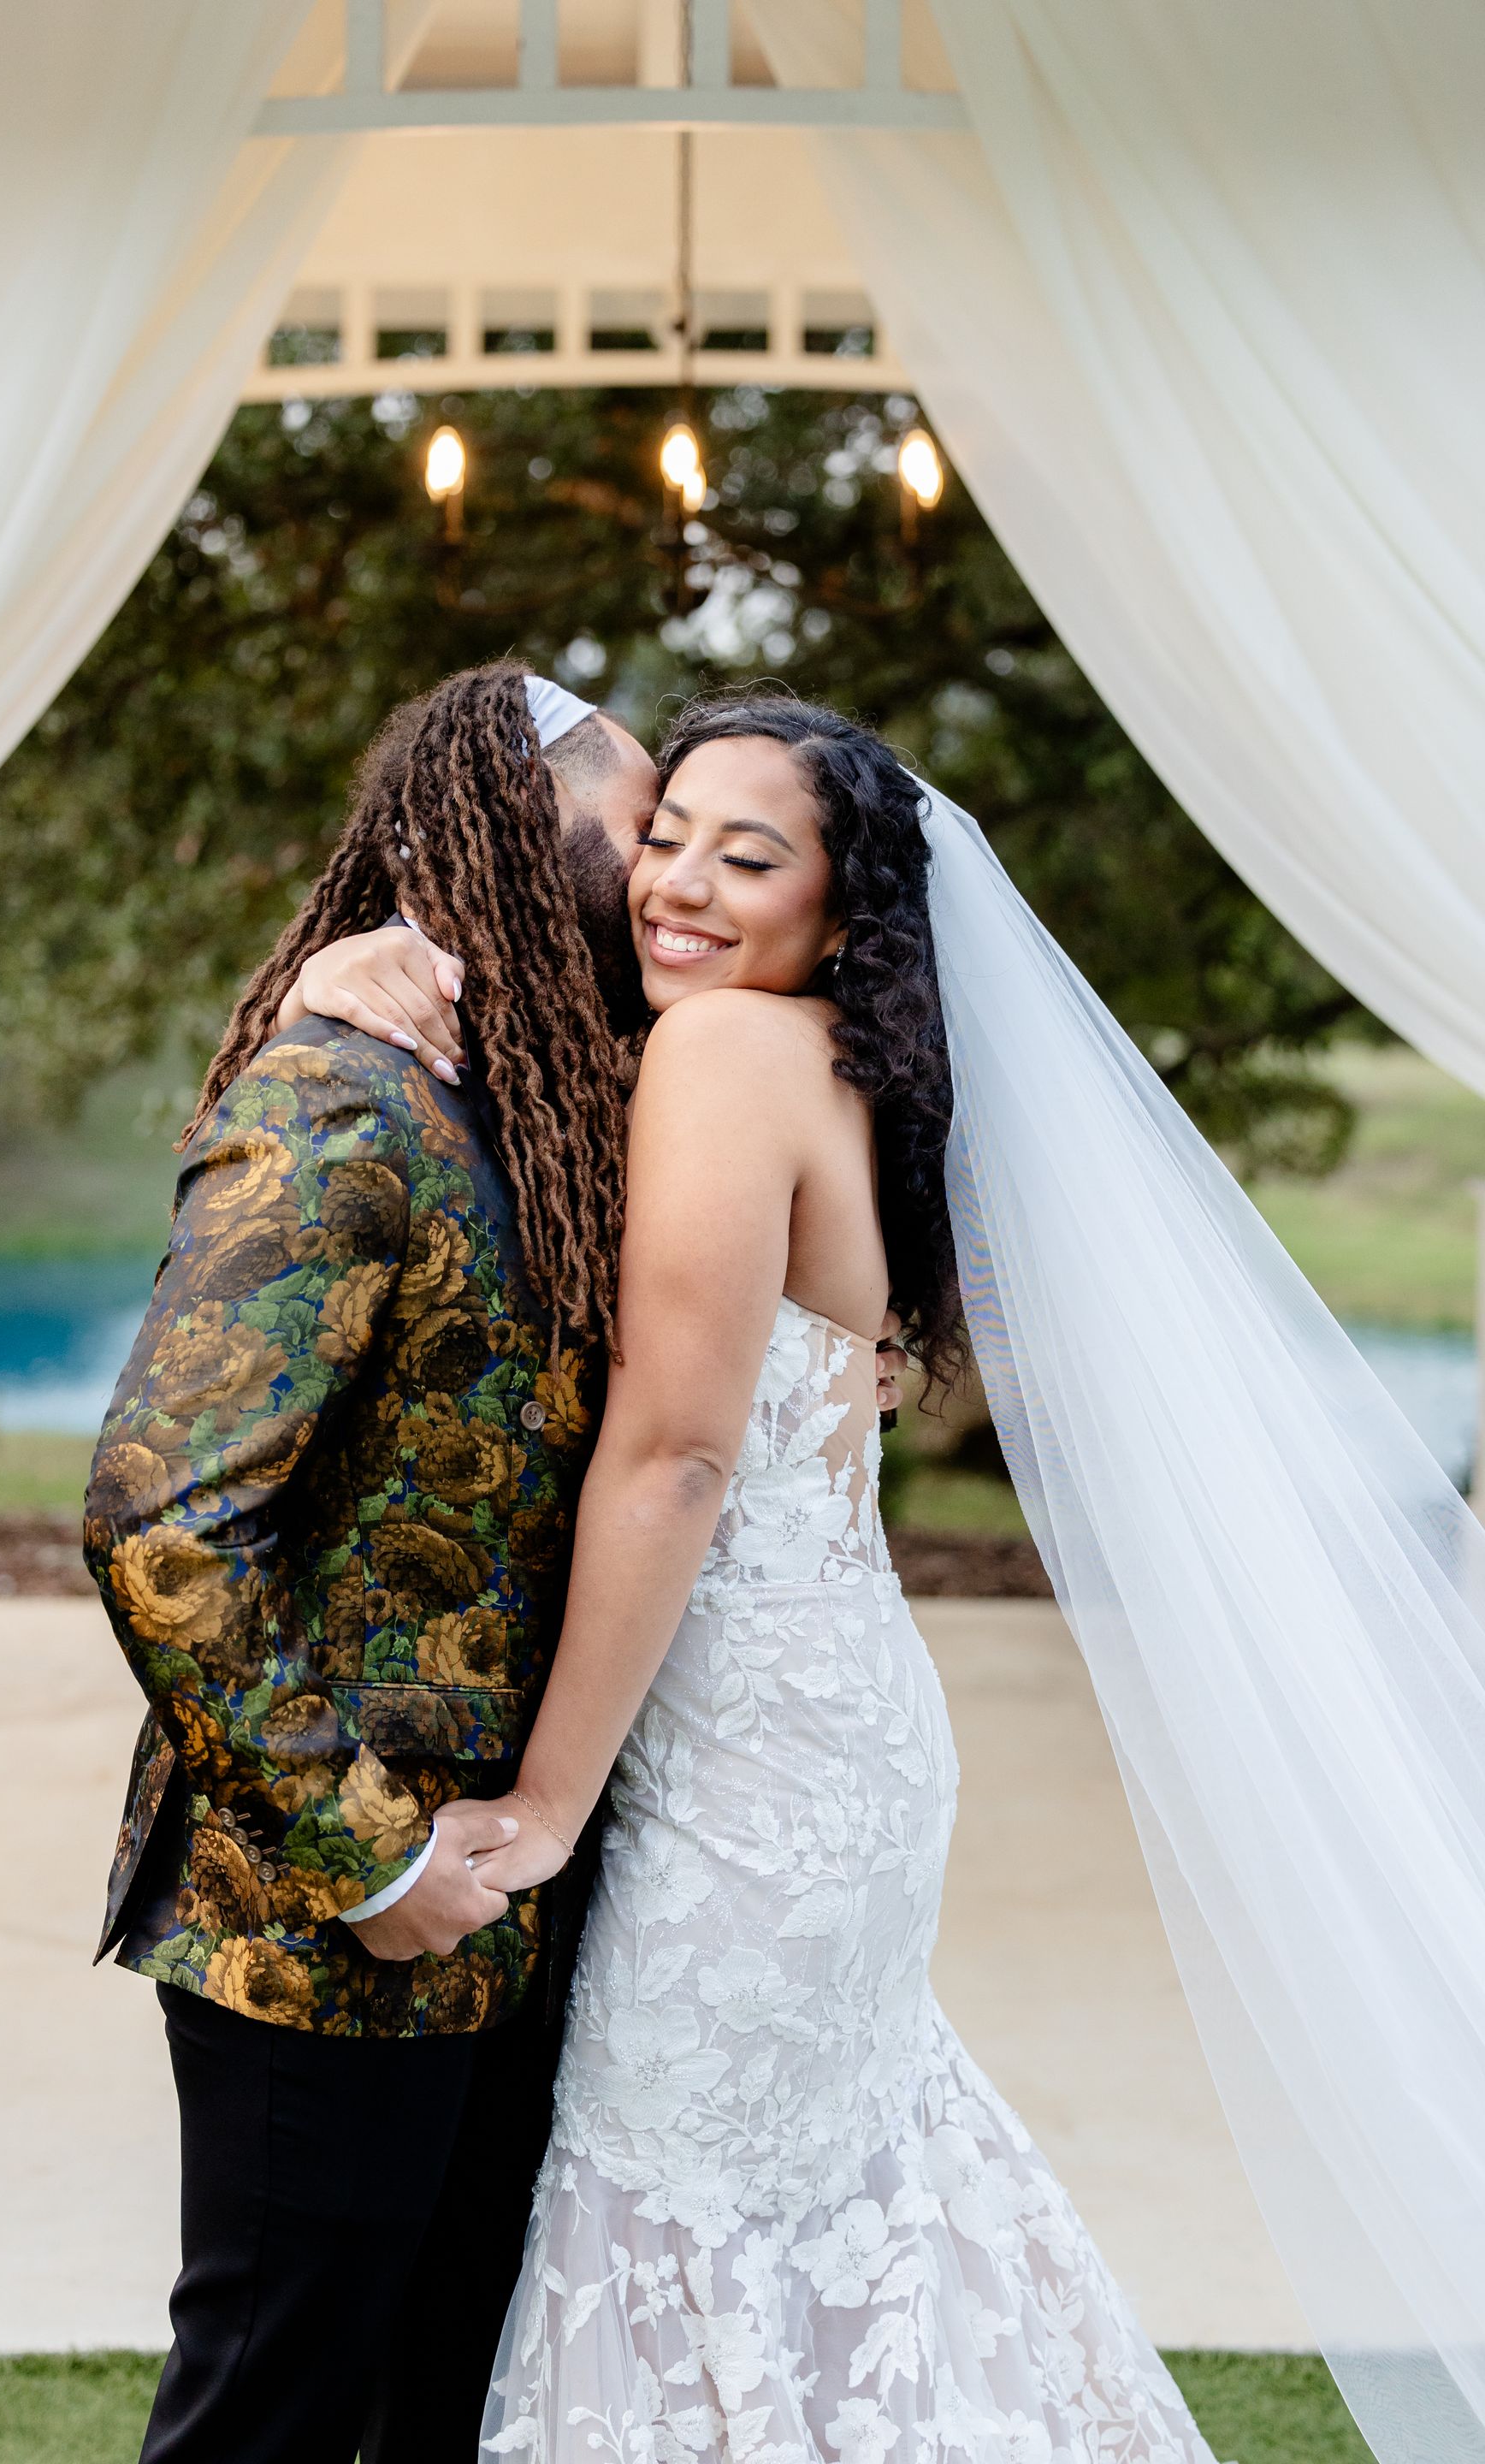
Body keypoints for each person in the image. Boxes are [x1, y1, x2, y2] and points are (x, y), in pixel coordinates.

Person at [289, 691, 1219, 2457]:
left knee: (683, 2228)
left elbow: (679, 1456)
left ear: (842, 909)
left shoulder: (721, 1054)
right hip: (823, 1742)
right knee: (825, 2245)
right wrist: (350, 972)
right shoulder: (804, 1057)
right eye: (666, 838)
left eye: (750, 856)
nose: (681, 884)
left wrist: (548, 1805)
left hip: (752, 1788)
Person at [83, 658, 660, 2464]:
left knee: (460, 2413)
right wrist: (370, 1859)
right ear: (512, 840)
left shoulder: (561, 1089)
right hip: (319, 1925)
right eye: (642, 829)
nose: (664, 874)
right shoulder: (338, 1098)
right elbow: (162, 1519)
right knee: (270, 2416)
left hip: (521, 1908)